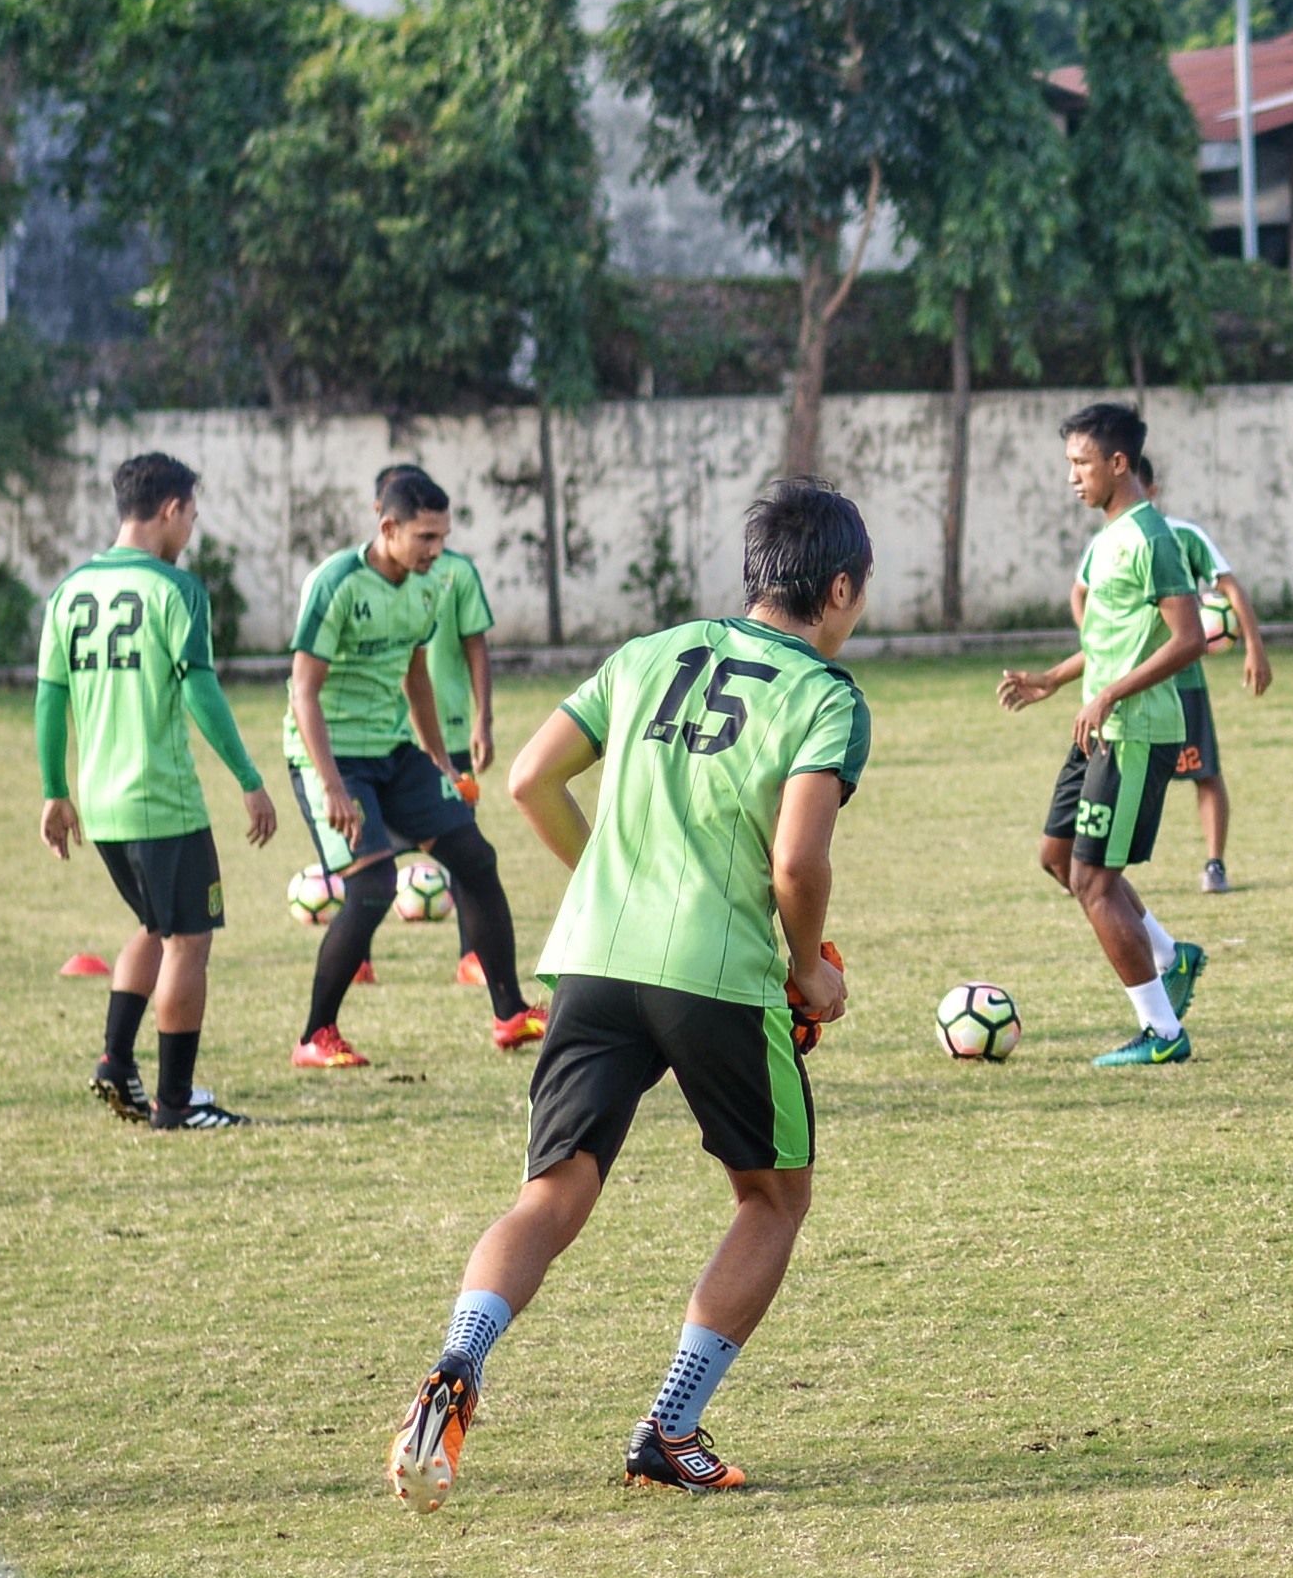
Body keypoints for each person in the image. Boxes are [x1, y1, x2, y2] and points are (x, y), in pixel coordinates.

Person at [390, 478, 873, 1511]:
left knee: (550, 1192)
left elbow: (528, 779)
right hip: (720, 970)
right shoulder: (825, 697)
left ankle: (458, 1361)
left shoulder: (650, 652)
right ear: (838, 587)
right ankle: (669, 1424)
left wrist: (604, 884)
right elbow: (796, 864)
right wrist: (806, 968)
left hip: (596, 954)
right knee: (772, 1196)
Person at [34, 453, 276, 1130]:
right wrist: (251, 780)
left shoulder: (70, 590)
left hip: (103, 805)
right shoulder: (176, 590)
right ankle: (175, 1102)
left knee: (153, 926)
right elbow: (201, 690)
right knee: (189, 942)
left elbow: (51, 700)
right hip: (162, 800)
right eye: (192, 515)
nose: (192, 529)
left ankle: (115, 1062)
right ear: (170, 508)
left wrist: (56, 790)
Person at [285, 468, 543, 1067]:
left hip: (394, 750)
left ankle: (509, 1015)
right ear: (388, 528)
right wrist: (331, 786)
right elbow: (304, 691)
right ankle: (314, 1036)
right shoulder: (337, 583)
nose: (436, 550)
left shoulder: (431, 587)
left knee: (475, 857)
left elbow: (417, 676)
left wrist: (438, 766)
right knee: (373, 887)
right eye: (425, 537)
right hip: (330, 755)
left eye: (443, 537)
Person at [998, 404, 1209, 1066]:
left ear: (1119, 463)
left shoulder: (1152, 539)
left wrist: (1113, 692)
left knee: (1093, 880)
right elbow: (1111, 640)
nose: (1073, 477)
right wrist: (1056, 679)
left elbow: (1189, 638)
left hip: (1137, 730)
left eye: (1081, 463)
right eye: (1070, 464)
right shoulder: (1108, 537)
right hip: (1098, 723)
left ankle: (1163, 1035)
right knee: (1057, 858)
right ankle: (1174, 955)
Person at [376, 463, 499, 989]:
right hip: (388, 739)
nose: (430, 545)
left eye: (436, 534)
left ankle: (472, 954)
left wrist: (482, 717)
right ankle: (358, 950)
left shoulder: (456, 574)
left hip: (446, 730)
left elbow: (476, 643)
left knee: (463, 842)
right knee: (373, 851)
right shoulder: (365, 581)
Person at [1139, 460, 1271, 895]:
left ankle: (1215, 864)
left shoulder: (1183, 535)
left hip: (1183, 683)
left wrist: (1254, 646)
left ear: (1151, 490)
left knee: (1204, 771)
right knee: (1116, 775)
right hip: (1128, 681)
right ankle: (1088, 865)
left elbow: (1230, 587)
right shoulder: (1107, 543)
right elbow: (1080, 593)